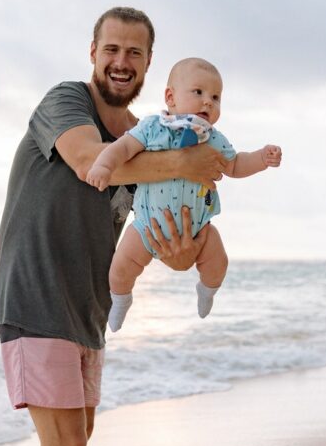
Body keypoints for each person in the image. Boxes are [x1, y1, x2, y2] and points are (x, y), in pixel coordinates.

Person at [0, 7, 227, 446]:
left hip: (89, 309)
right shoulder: (65, 101)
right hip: (35, 295)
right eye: (112, 49)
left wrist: (183, 252)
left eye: (134, 52)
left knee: (77, 441)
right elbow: (86, 161)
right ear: (94, 53)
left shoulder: (147, 136)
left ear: (149, 63)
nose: (122, 61)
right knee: (67, 445)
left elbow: (164, 229)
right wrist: (184, 162)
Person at [86, 58, 282, 331]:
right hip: (145, 227)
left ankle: (207, 290)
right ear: (171, 97)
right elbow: (122, 148)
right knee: (120, 269)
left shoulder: (214, 139)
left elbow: (235, 165)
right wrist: (104, 165)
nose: (208, 103)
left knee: (218, 262)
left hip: (199, 229)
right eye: (199, 93)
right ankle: (121, 299)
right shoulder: (153, 128)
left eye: (216, 97)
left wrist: (261, 158)